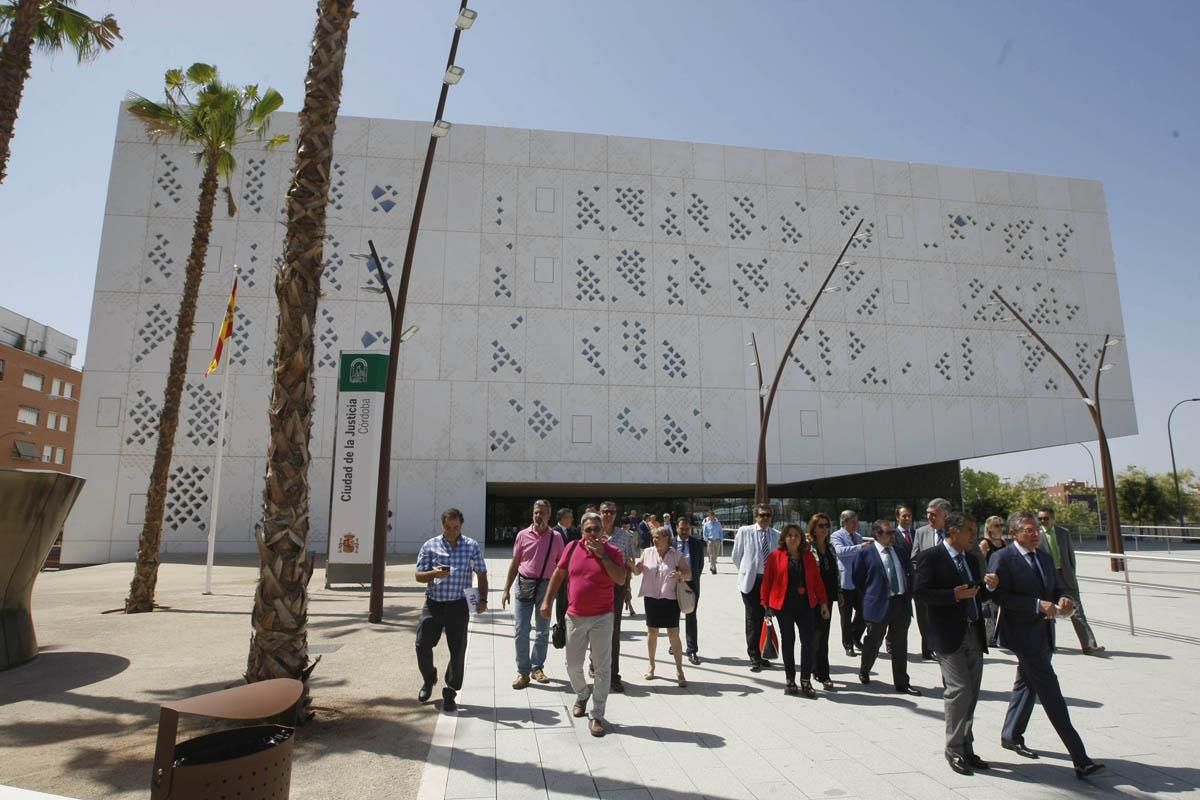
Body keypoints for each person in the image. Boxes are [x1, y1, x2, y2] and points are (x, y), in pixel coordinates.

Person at [988, 512, 1105, 779]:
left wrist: (1064, 598)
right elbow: (998, 596)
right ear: (1015, 533)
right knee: (1050, 691)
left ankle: (1011, 734)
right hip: (1021, 635)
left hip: (1044, 633)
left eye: (1036, 529)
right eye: (1029, 530)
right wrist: (1036, 605)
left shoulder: (1043, 555)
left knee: (1027, 683)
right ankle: (1080, 757)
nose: (1035, 534)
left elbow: (1059, 586)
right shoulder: (1003, 558)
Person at [914, 512, 989, 776]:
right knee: (959, 690)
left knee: (972, 692)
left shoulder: (970, 557)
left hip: (973, 631)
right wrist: (952, 595)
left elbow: (978, 590)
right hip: (947, 635)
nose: (973, 535)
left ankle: (967, 746)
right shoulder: (930, 557)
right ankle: (954, 749)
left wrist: (989, 586)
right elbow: (920, 592)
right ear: (953, 531)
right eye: (969, 530)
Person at [540, 512, 626, 737]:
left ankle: (597, 714)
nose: (593, 533)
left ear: (602, 530)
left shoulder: (613, 551)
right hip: (575, 616)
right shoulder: (571, 548)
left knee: (602, 668)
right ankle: (582, 693)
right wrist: (547, 600)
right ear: (582, 531)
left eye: (597, 529)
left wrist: (603, 556)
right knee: (572, 665)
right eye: (588, 529)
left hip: (602, 618)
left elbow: (620, 579)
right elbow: (559, 574)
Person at [415, 508, 489, 713]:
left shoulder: (471, 546)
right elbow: (418, 575)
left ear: (461, 525)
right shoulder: (430, 546)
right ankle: (428, 679)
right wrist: (434, 573)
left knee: (457, 650)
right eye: (448, 527)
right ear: (442, 525)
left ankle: (450, 691)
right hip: (433, 604)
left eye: (455, 527)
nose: (451, 531)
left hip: (458, 605)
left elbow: (481, 573)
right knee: (422, 644)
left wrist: (482, 599)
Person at [501, 500, 565, 689]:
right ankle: (523, 671)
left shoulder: (557, 537)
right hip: (524, 584)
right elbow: (515, 562)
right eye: (536, 512)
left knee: (543, 630)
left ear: (549, 515)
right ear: (533, 514)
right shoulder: (522, 535)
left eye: (543, 513)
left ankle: (537, 667)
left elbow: (561, 566)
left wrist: (560, 591)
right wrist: (506, 588)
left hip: (546, 587)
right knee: (521, 629)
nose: (539, 516)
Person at [852, 519, 920, 696]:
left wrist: (908, 593)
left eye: (893, 533)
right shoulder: (865, 553)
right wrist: (870, 596)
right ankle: (865, 669)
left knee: (899, 645)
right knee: (873, 641)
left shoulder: (899, 551)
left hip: (900, 604)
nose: (892, 536)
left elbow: (908, 573)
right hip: (878, 604)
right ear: (877, 534)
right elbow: (858, 578)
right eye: (889, 533)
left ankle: (902, 683)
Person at [761, 522, 830, 697]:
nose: (793, 538)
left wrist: (823, 603)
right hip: (783, 606)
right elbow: (767, 582)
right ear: (784, 538)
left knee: (808, 643)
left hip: (806, 606)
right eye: (789, 535)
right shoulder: (775, 556)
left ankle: (805, 680)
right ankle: (790, 679)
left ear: (801, 538)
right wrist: (766, 605)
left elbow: (816, 581)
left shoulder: (807, 557)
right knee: (788, 641)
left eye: (796, 535)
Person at [1038, 506, 1104, 654]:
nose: (1043, 521)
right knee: (1048, 612)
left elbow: (1070, 557)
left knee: (1077, 611)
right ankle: (1048, 644)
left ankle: (1089, 645)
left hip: (1066, 577)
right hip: (1047, 579)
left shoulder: (1063, 533)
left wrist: (1072, 575)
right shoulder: (1036, 535)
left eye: (1046, 518)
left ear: (1053, 518)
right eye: (1041, 518)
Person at [633, 526, 692, 686]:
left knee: (673, 633)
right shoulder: (647, 552)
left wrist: (680, 574)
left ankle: (680, 670)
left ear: (667, 538)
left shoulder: (676, 554)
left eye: (658, 537)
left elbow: (688, 574)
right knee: (652, 632)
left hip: (670, 598)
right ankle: (651, 665)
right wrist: (634, 566)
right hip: (651, 598)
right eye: (654, 537)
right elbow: (637, 572)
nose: (655, 540)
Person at [732, 504, 779, 672]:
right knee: (753, 618)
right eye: (762, 515)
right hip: (751, 582)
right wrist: (746, 571)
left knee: (766, 618)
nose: (765, 518)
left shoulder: (776, 535)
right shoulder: (745, 531)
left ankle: (762, 652)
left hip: (769, 583)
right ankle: (753, 656)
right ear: (756, 516)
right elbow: (736, 555)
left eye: (768, 515)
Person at [598, 500, 638, 691]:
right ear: (599, 513)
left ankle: (613, 676)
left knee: (613, 632)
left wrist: (628, 588)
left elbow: (629, 563)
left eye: (612, 512)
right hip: (594, 588)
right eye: (605, 511)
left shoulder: (625, 536)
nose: (608, 515)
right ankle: (595, 664)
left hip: (616, 587)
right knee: (594, 630)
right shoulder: (592, 533)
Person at [913, 497, 953, 659]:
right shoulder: (921, 532)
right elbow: (914, 558)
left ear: (946, 516)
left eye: (934, 514)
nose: (929, 517)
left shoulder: (955, 532)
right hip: (927, 589)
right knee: (926, 622)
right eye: (928, 513)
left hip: (950, 589)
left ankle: (941, 649)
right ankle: (928, 649)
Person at [808, 513, 839, 691]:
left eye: (827, 525)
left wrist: (840, 594)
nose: (825, 529)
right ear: (813, 528)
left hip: (828, 597)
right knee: (814, 636)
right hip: (812, 598)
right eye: (821, 526)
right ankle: (815, 669)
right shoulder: (807, 548)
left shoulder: (831, 548)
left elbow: (837, 573)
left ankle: (823, 672)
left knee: (823, 635)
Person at [831, 510, 866, 657]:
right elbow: (839, 551)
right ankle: (848, 644)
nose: (856, 524)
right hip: (845, 584)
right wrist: (860, 548)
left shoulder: (858, 536)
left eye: (857, 521)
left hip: (859, 582)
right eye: (853, 521)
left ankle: (855, 636)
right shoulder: (836, 535)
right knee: (846, 616)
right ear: (844, 522)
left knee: (865, 613)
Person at [674, 515, 705, 664]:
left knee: (691, 617)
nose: (685, 531)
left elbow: (700, 564)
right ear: (676, 528)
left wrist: (691, 577)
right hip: (673, 585)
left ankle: (692, 650)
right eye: (682, 528)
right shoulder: (670, 543)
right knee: (673, 617)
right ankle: (674, 644)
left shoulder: (696, 543)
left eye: (687, 529)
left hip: (691, 585)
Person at [978, 515, 1007, 646]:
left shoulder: (1004, 543)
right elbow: (979, 564)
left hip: (1001, 583)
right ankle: (986, 639)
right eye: (996, 525)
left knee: (999, 611)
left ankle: (996, 637)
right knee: (989, 613)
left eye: (1001, 525)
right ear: (989, 528)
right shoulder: (985, 543)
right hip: (988, 583)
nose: (1000, 528)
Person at [553, 507, 582, 634]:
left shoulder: (575, 531)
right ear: (563, 518)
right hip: (559, 571)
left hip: (574, 570)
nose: (572, 519)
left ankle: (571, 620)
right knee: (560, 598)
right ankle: (560, 623)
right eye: (570, 517)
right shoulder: (553, 532)